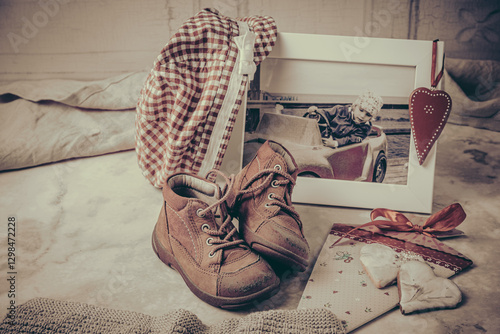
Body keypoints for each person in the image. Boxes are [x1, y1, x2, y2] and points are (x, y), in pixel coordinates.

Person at [307, 91, 383, 148]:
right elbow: (326, 114)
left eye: (368, 114)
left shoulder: (364, 128)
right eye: (361, 110)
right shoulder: (340, 110)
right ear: (354, 106)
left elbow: (351, 139)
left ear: (371, 117)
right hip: (323, 139)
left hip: (342, 148)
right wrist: (317, 115)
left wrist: (335, 143)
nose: (362, 116)